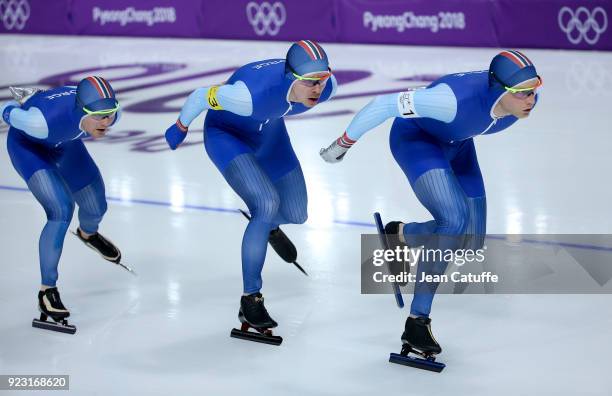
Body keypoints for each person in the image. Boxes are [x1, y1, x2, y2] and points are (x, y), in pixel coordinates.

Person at [320, 50, 540, 358]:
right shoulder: (450, 100)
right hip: (417, 141)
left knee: (469, 242)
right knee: (453, 220)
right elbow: (384, 105)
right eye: (523, 93)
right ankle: (417, 321)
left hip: (458, 145)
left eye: (534, 89)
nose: (531, 98)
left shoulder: (519, 100)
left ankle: (399, 234)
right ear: (500, 89)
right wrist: (341, 145)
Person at [164, 40, 338, 338]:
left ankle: (266, 227)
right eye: (309, 82)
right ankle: (251, 299)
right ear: (290, 78)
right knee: (267, 203)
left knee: (297, 214)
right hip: (228, 137)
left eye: (321, 80)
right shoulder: (248, 97)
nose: (317, 89)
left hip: (270, 133)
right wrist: (180, 127)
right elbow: (199, 96)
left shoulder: (328, 86)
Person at [1, 77, 122, 331]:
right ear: (82, 111)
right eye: (99, 116)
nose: (106, 122)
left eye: (110, 114)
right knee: (61, 210)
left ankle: (88, 234)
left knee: (96, 204)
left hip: (64, 144)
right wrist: (23, 105)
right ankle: (47, 291)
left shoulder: (109, 114)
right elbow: (5, 111)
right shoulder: (39, 122)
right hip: (30, 148)